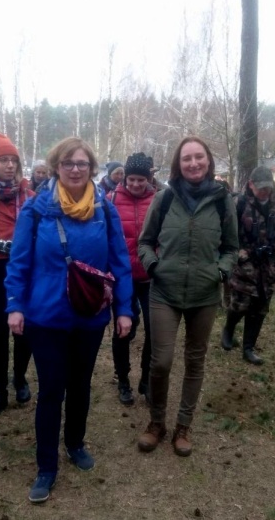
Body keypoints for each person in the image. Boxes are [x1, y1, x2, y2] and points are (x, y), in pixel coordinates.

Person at [5, 137, 133, 503]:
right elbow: (19, 262)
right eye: (67, 163)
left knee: (80, 385)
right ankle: (46, 466)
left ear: (92, 168)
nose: (75, 169)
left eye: (82, 163)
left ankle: (75, 443)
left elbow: (120, 263)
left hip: (89, 316)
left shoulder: (105, 211)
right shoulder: (36, 209)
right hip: (45, 316)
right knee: (50, 390)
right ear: (56, 167)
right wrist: (15, 304)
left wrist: (124, 310)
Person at [136, 136, 239, 457]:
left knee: (195, 361)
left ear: (208, 161)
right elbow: (144, 242)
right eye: (186, 159)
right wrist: (155, 266)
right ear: (178, 165)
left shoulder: (223, 201)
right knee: (161, 361)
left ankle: (183, 427)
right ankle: (156, 423)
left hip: (204, 294)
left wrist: (221, 271)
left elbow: (232, 248)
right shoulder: (164, 199)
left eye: (199, 157)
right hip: (164, 292)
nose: (193, 163)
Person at [0, 132, 35, 416]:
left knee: (24, 331)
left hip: (24, 271)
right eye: (3, 161)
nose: (10, 166)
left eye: (14, 161)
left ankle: (20, 377)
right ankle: (0, 391)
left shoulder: (30, 196)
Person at [220, 166, 275, 365]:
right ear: (250, 184)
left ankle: (248, 348)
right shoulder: (239, 203)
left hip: (269, 265)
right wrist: (236, 255)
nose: (264, 191)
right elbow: (226, 234)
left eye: (267, 187)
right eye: (260, 187)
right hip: (244, 263)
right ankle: (228, 329)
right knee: (240, 304)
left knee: (260, 308)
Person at [107, 152, 157, 405]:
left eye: (141, 180)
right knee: (123, 329)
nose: (136, 184)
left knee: (154, 329)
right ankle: (123, 379)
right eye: (132, 179)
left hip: (151, 278)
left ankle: (146, 379)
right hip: (122, 278)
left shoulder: (159, 201)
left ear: (149, 179)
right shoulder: (111, 199)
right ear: (125, 177)